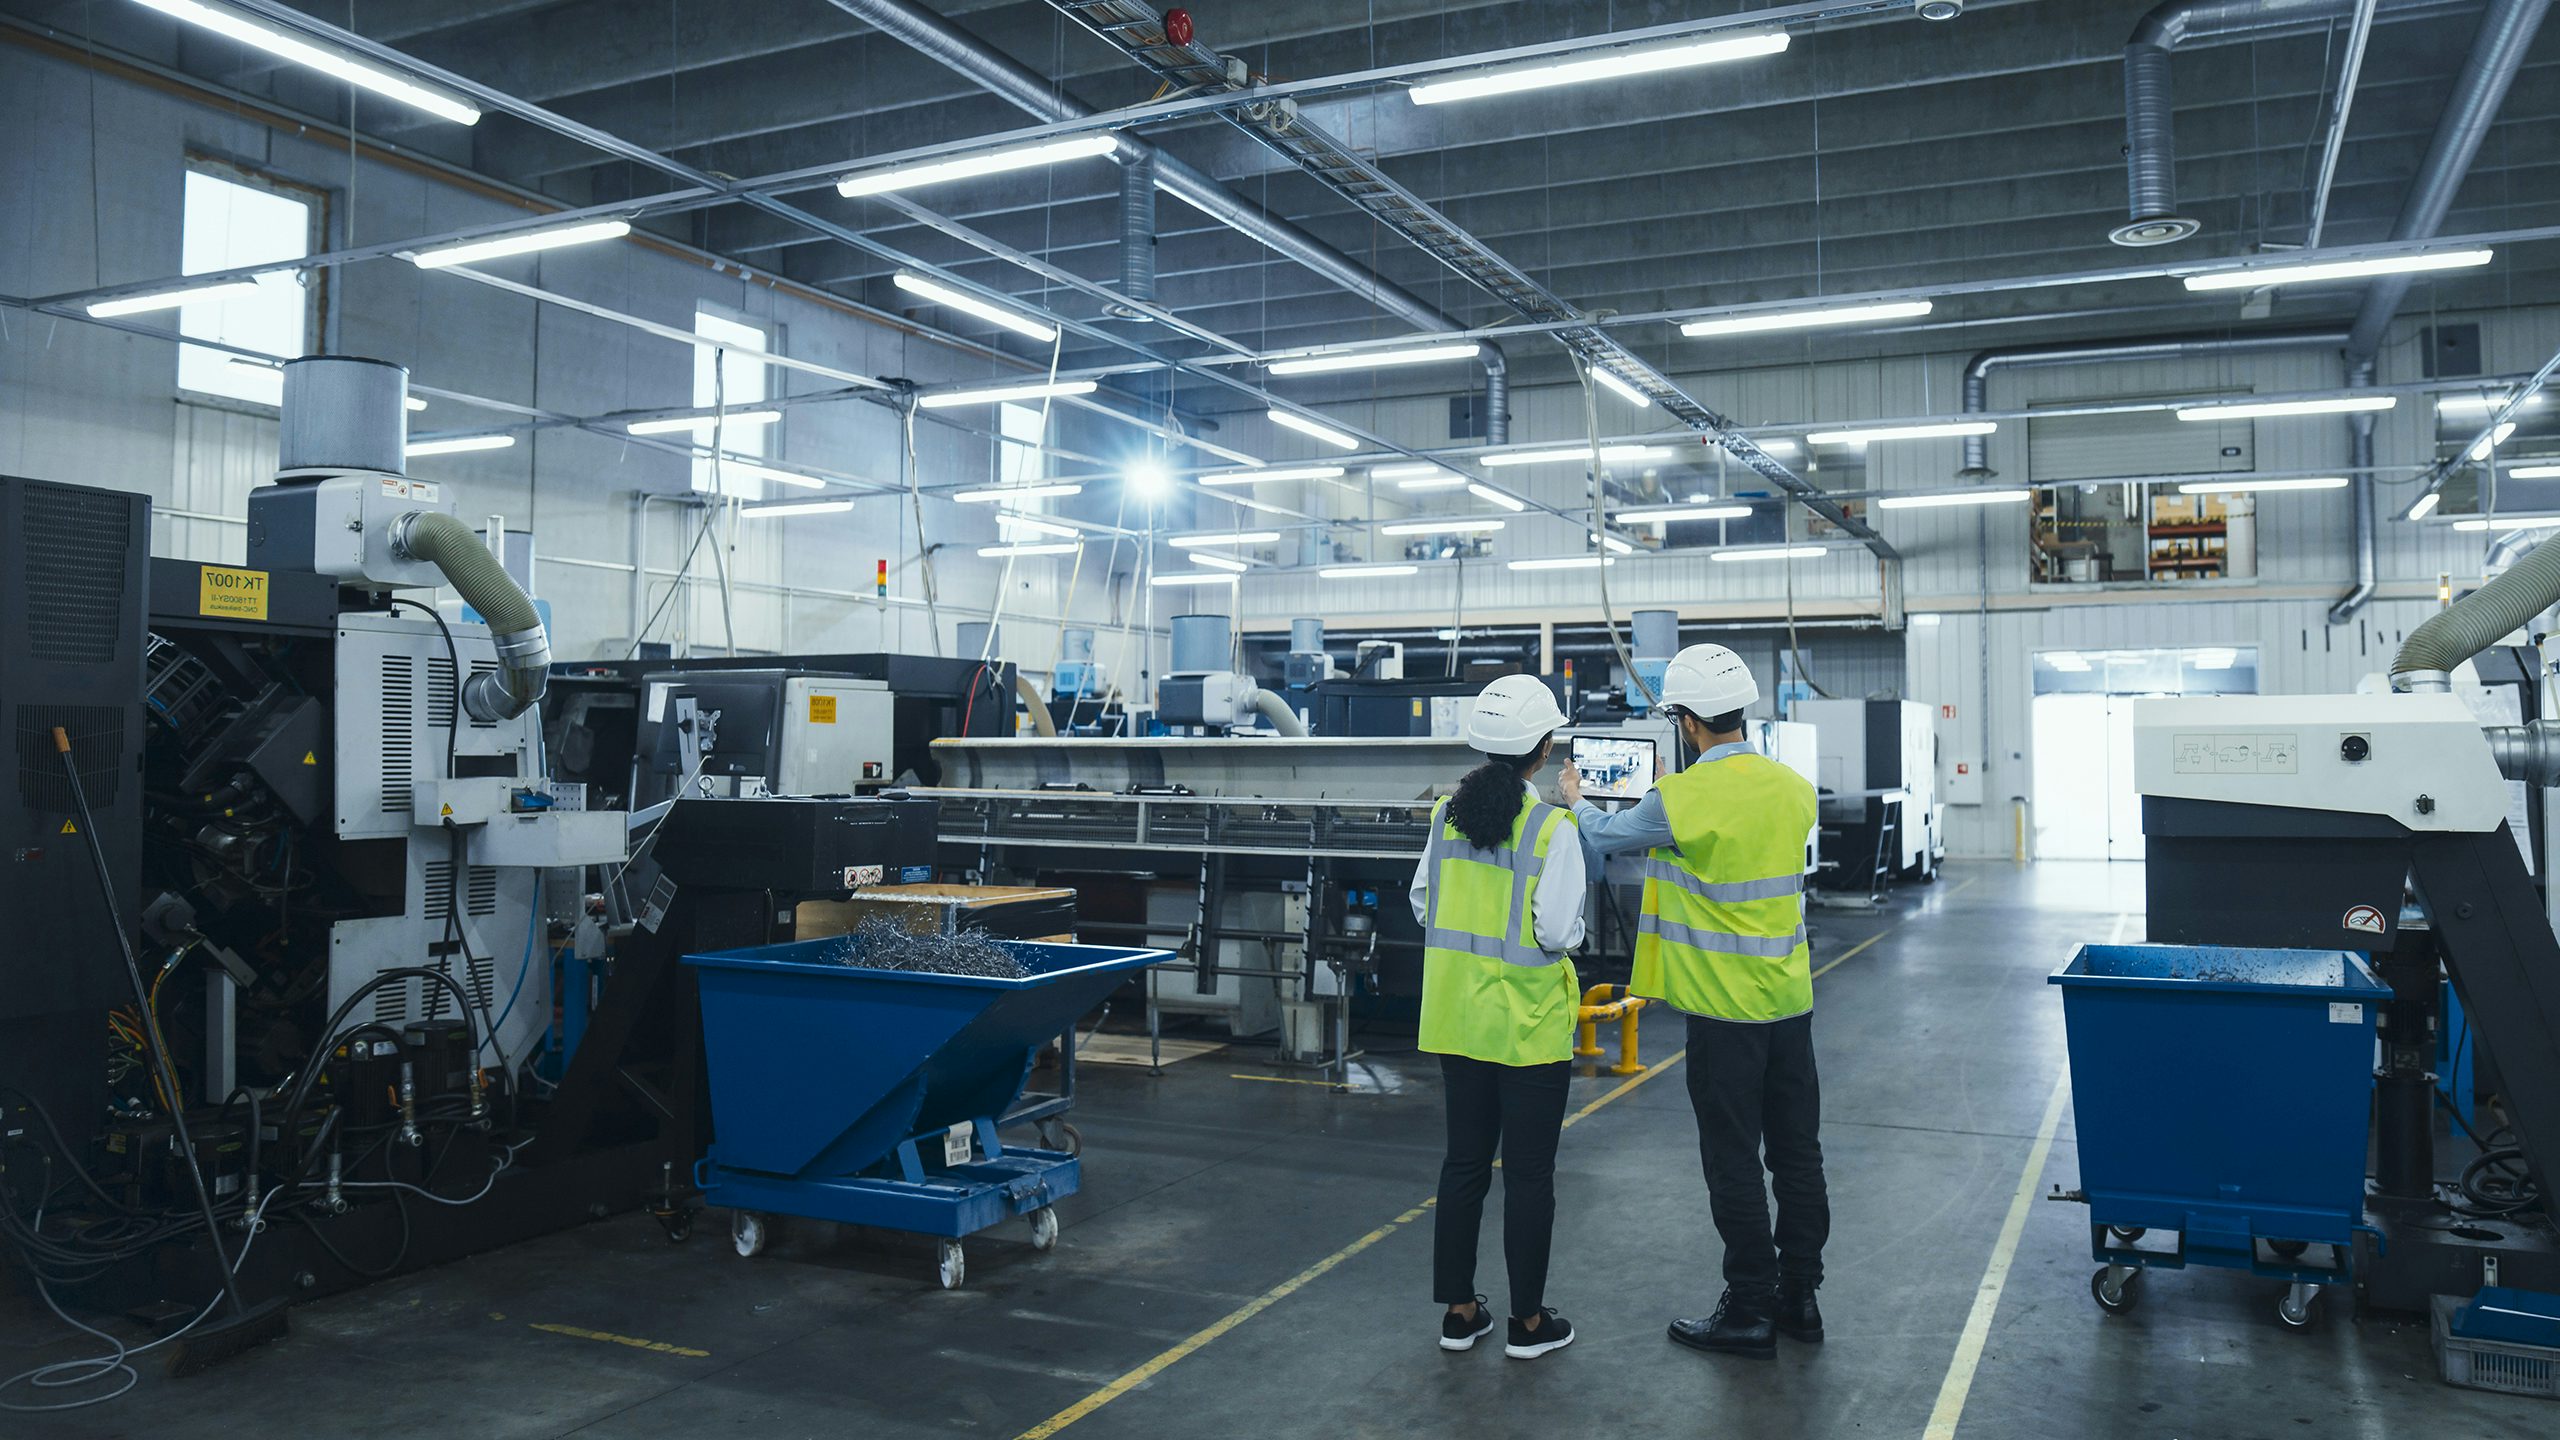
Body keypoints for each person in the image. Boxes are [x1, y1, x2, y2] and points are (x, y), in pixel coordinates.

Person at [1557, 643, 1825, 1360]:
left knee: (1733, 1159)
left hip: (1724, 1015)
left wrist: (1578, 799)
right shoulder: (1793, 787)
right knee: (1797, 1154)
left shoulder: (1677, 801)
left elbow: (1605, 841)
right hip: (1790, 1005)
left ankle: (1750, 1308)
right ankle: (1801, 1296)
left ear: (1683, 721)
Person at [1412, 674, 1588, 1361]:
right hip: (1529, 1027)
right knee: (1529, 1174)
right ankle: (1529, 1324)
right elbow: (1557, 933)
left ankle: (1460, 1314)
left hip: (1460, 1020)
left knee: (1464, 1164)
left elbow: (1425, 905)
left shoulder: (1443, 817)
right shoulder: (1551, 826)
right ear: (1542, 751)